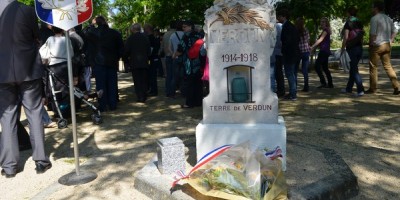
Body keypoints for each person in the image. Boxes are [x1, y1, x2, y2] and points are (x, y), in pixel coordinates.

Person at [0, 0, 52, 178]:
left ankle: (9, 167)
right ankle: (41, 161)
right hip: (28, 69)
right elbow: (37, 37)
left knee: (7, 118)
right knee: (35, 113)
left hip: (3, 73)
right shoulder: (27, 10)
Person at [85, 16, 124, 111]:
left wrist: (91, 24)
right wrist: (117, 58)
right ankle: (112, 104)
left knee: (100, 85)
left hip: (98, 62)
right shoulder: (115, 33)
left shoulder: (92, 33)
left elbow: (84, 32)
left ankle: (102, 105)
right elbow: (121, 48)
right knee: (112, 84)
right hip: (111, 61)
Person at [366, 1, 400, 95]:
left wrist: (370, 44)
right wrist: (391, 40)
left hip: (377, 45)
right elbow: (395, 30)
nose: (371, 9)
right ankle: (396, 86)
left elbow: (373, 34)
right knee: (388, 66)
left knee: (373, 67)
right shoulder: (388, 18)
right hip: (387, 44)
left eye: (372, 7)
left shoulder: (374, 19)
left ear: (376, 8)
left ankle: (373, 88)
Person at [40, 26, 74, 117]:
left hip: (53, 66)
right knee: (66, 88)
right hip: (66, 65)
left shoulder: (50, 39)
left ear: (53, 30)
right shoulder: (67, 40)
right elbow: (71, 54)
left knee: (54, 89)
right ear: (63, 29)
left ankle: (57, 111)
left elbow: (43, 53)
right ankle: (66, 111)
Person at [175, 20, 204, 108]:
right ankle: (198, 102)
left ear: (190, 27)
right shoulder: (200, 35)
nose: (183, 28)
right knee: (198, 83)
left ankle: (189, 103)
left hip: (189, 63)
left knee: (189, 83)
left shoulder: (186, 37)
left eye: (185, 27)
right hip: (199, 62)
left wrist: (175, 54)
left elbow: (180, 49)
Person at [340, 6, 365, 97]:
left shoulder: (348, 23)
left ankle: (360, 90)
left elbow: (346, 37)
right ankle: (348, 88)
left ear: (349, 13)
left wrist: (343, 48)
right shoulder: (359, 22)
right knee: (353, 68)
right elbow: (361, 36)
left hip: (352, 49)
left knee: (354, 70)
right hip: (359, 48)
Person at [123, 23, 151, 103]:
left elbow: (126, 51)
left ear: (133, 29)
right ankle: (144, 94)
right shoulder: (145, 37)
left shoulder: (130, 38)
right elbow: (148, 50)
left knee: (137, 80)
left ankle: (140, 96)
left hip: (134, 62)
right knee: (144, 79)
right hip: (144, 61)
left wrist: (126, 61)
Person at [276, 9, 300, 101]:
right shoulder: (292, 26)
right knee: (292, 74)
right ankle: (292, 92)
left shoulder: (286, 27)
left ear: (284, 16)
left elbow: (286, 41)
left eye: (279, 16)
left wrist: (283, 49)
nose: (278, 18)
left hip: (289, 54)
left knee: (290, 74)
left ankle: (293, 94)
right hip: (294, 53)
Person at [311, 17, 334, 89]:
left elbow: (321, 39)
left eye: (323, 22)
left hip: (324, 51)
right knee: (325, 68)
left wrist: (313, 46)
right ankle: (330, 84)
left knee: (317, 66)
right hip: (325, 51)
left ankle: (324, 83)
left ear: (326, 23)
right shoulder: (326, 30)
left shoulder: (325, 30)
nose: (322, 23)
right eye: (321, 22)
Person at [144, 24, 161, 96]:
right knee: (152, 75)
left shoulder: (149, 38)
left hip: (151, 58)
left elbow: (151, 49)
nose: (144, 30)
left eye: (145, 29)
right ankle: (153, 90)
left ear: (148, 29)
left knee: (152, 75)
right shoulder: (154, 38)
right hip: (154, 58)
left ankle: (153, 90)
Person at [295, 17, 311, 92]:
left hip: (298, 51)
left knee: (295, 69)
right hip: (306, 51)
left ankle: (294, 86)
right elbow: (308, 40)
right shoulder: (306, 30)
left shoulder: (296, 30)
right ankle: (306, 86)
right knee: (305, 70)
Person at [170, 21, 185, 96]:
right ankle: (183, 93)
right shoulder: (184, 34)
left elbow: (169, 47)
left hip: (175, 57)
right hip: (183, 58)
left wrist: (173, 54)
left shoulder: (172, 35)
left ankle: (172, 93)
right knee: (183, 77)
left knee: (174, 77)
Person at [164, 21, 177, 98]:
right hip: (175, 55)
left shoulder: (166, 34)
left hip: (168, 56)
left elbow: (163, 46)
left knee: (168, 74)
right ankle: (172, 91)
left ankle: (168, 90)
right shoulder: (177, 34)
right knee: (175, 75)